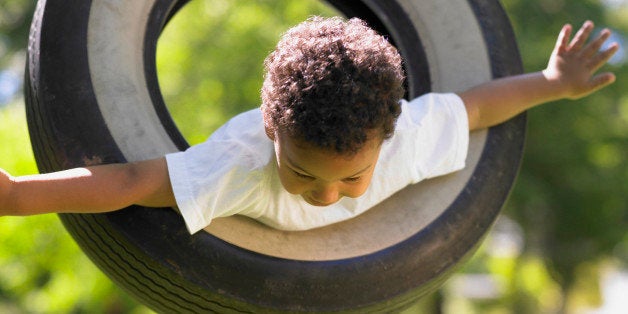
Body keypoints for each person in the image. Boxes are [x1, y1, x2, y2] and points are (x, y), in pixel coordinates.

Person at [0, 17, 619, 234]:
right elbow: (132, 180)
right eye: (300, 172)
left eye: (352, 177)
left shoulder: (407, 133)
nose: (324, 195)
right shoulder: (239, 164)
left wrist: (551, 84)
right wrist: (18, 195)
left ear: (385, 139)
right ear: (273, 133)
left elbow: (478, 106)